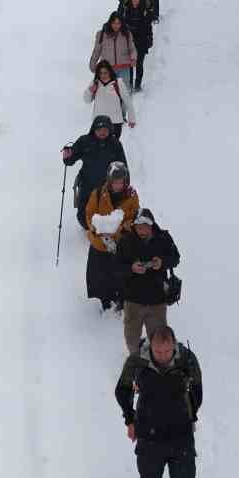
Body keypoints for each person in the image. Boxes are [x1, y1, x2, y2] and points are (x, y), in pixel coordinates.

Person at [115, 325, 202, 478]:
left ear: (173, 345)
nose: (163, 356)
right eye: (158, 351)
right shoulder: (137, 361)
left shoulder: (187, 360)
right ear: (151, 346)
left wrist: (191, 415)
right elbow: (122, 390)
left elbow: (198, 390)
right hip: (149, 435)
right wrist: (130, 419)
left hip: (180, 433)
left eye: (167, 351)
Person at [115, 209, 180, 355]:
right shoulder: (126, 241)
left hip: (157, 299)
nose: (142, 230)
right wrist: (131, 268)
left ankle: (157, 363)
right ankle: (135, 362)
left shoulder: (163, 238)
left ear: (152, 225)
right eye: (139, 227)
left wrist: (162, 262)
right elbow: (116, 267)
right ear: (134, 226)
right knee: (131, 340)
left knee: (159, 339)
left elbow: (175, 258)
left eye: (145, 227)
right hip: (133, 299)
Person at [83, 161, 139, 310]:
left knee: (120, 275)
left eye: (121, 182)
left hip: (120, 244)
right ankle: (103, 302)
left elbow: (134, 216)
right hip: (99, 243)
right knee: (99, 277)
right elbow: (89, 214)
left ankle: (120, 301)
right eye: (115, 182)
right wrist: (96, 227)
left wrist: (122, 227)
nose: (118, 185)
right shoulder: (98, 193)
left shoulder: (132, 196)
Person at [62, 115, 126, 228]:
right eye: (99, 129)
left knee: (107, 211)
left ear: (110, 130)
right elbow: (70, 160)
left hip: (108, 185)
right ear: (93, 129)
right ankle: (89, 229)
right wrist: (67, 156)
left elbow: (122, 165)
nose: (102, 132)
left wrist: (124, 183)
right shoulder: (84, 141)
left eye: (105, 130)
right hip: (87, 183)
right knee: (83, 215)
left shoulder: (115, 143)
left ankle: (105, 230)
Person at [84, 60, 135, 136]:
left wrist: (132, 118)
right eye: (100, 73)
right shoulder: (95, 83)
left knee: (112, 147)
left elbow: (127, 101)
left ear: (110, 72)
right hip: (98, 123)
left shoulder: (118, 83)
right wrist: (90, 91)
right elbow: (87, 100)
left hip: (115, 123)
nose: (103, 75)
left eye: (105, 73)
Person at [89, 12, 139, 88]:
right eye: (114, 23)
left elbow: (132, 49)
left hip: (124, 68)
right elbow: (96, 51)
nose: (116, 26)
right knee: (109, 94)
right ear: (110, 22)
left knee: (124, 93)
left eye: (118, 23)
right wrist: (93, 64)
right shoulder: (102, 34)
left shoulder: (126, 34)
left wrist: (133, 58)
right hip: (108, 70)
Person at [121, 0, 154, 92]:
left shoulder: (144, 11)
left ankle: (138, 84)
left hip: (141, 41)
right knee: (129, 64)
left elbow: (148, 27)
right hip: (129, 42)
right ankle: (129, 84)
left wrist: (149, 40)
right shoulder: (126, 10)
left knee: (139, 63)